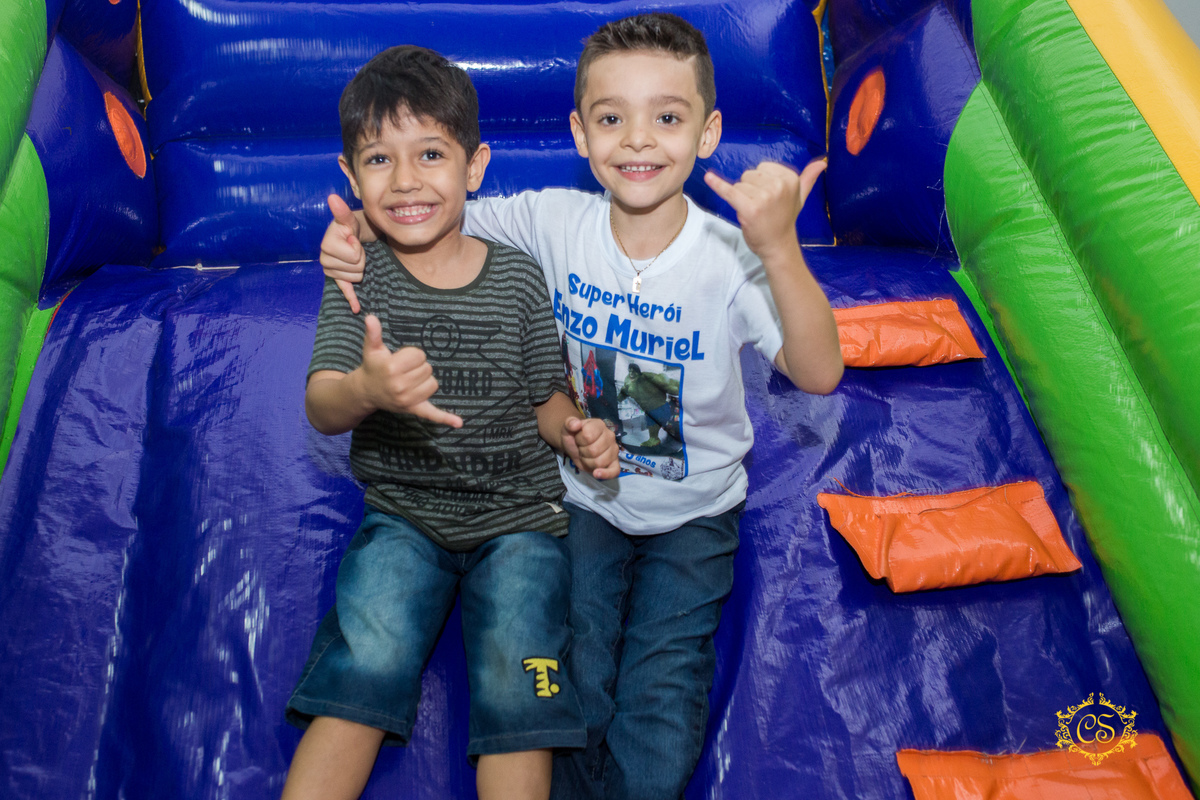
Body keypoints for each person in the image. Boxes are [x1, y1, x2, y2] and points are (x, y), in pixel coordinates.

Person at [318, 15, 843, 799]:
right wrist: (352, 231)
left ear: (708, 133)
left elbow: (820, 370)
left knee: (662, 686)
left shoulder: (728, 256)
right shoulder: (552, 222)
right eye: (611, 118)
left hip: (695, 512)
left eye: (667, 117)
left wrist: (778, 249)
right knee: (575, 673)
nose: (638, 140)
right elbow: (426, 203)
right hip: (581, 499)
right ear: (580, 131)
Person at [282, 45, 619, 800]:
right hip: (404, 515)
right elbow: (322, 403)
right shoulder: (358, 278)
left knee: (519, 685)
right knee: (361, 669)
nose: (405, 181)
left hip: (520, 521)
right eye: (378, 159)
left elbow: (545, 400)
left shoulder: (517, 276)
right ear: (350, 176)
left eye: (430, 153)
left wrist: (576, 432)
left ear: (474, 166)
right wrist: (368, 387)